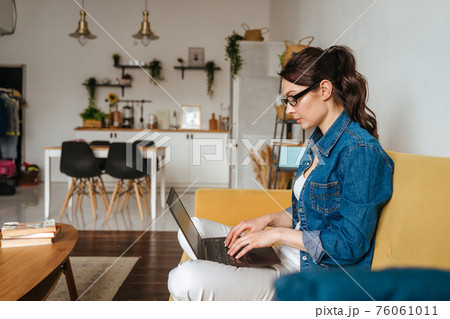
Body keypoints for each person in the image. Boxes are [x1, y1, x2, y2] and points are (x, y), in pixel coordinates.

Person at [168, 45, 394, 301]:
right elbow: (313, 212)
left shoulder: (360, 151)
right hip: (285, 257)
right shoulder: (319, 141)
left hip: (307, 277)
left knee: (183, 278)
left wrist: (276, 235)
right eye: (287, 100)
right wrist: (268, 220)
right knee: (195, 227)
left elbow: (350, 245)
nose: (288, 109)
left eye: (294, 98)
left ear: (324, 89)